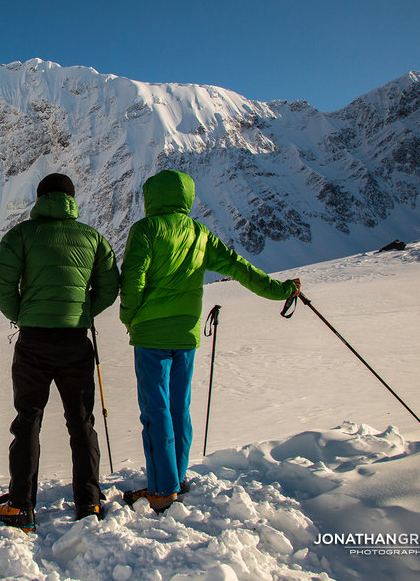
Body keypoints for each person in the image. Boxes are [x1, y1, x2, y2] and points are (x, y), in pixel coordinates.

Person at [119, 170, 301, 513]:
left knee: (155, 411)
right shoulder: (200, 234)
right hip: (186, 336)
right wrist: (280, 290)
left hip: (150, 336)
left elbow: (133, 278)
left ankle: (162, 489)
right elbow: (239, 266)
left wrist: (129, 316)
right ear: (185, 197)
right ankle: (176, 477)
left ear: (151, 197)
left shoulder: (146, 230)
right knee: (178, 408)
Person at [0, 173, 120, 530]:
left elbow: (1, 281)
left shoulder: (21, 235)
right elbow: (110, 284)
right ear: (71, 200)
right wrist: (84, 311)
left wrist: (21, 313)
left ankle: (21, 504)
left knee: (28, 420)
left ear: (40, 198)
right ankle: (89, 502)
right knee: (81, 422)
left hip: (34, 341)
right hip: (76, 340)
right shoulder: (93, 237)